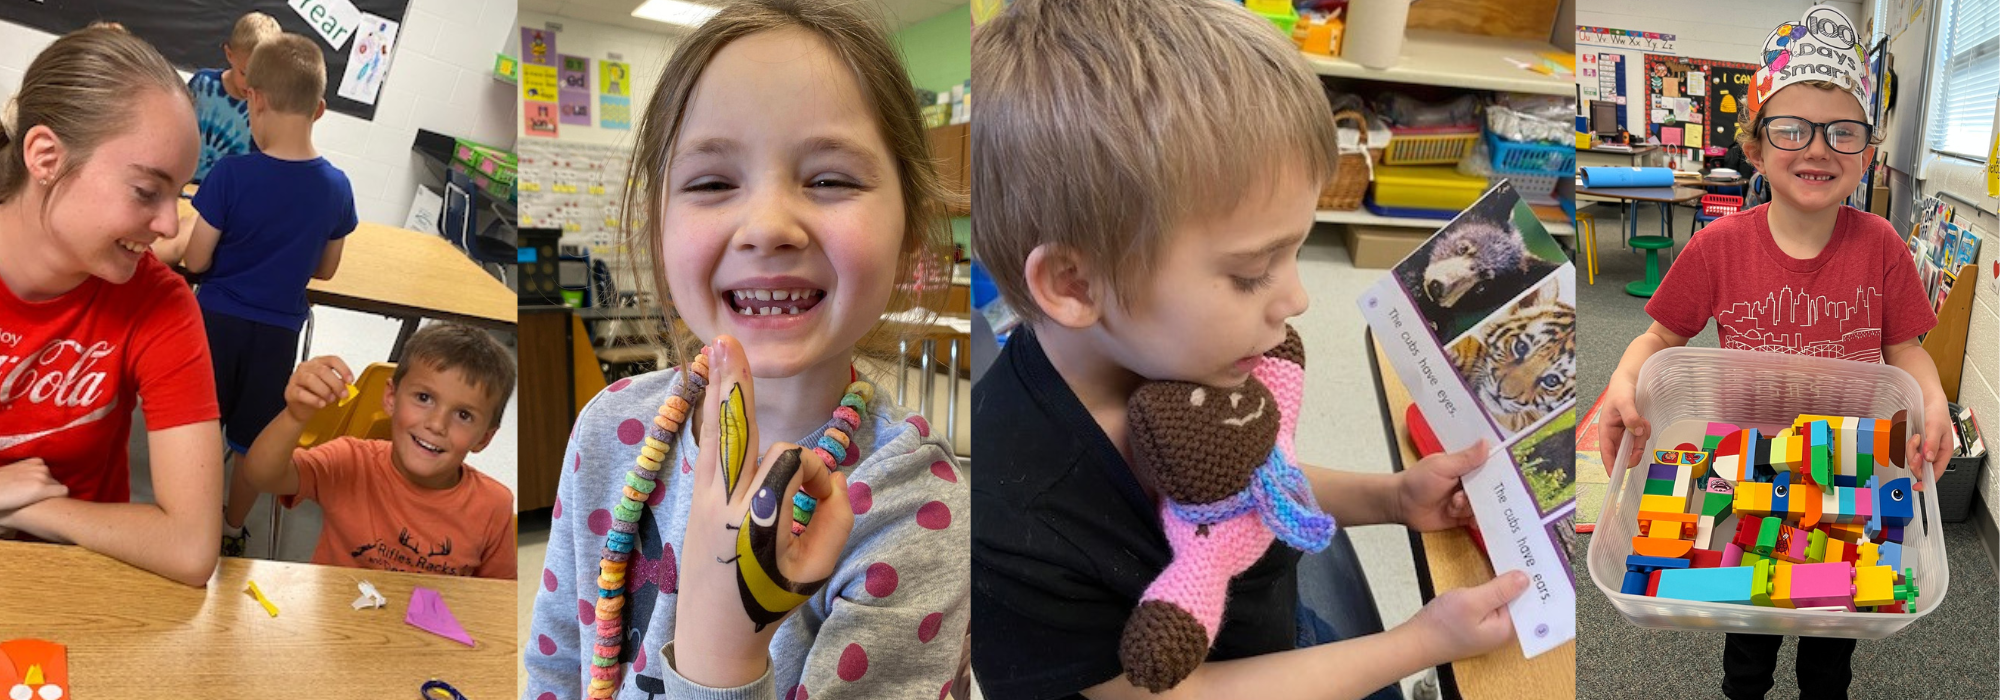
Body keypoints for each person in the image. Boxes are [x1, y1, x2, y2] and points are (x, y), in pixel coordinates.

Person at [968, 1, 1531, 698]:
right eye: (1249, 272)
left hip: (1279, 633)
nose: (1297, 299)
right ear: (1075, 283)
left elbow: (1254, 482)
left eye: (1296, 253)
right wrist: (1418, 644)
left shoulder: (1189, 349)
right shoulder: (1010, 515)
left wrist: (1391, 498)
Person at [521, 1, 967, 697]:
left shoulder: (913, 511)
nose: (767, 227)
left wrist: (721, 650)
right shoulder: (608, 431)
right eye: (711, 183)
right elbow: (553, 668)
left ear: (910, 230)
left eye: (829, 179)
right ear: (659, 227)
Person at [1595, 8, 1947, 699]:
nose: (1818, 148)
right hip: (1746, 472)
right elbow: (1660, 338)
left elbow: (1908, 350)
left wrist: (1931, 400)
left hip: (1850, 480)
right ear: (1755, 148)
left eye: (1843, 132)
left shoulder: (1882, 248)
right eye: (1792, 129)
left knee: (1833, 640)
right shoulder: (1717, 248)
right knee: (1748, 635)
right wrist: (1624, 377)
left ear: (1867, 153)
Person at [0, 26, 219, 586]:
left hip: (79, 587)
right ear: (45, 156)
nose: (171, 225)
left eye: (181, 194)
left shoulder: (160, 304)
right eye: (147, 191)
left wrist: (26, 508)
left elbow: (191, 548)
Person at [164, 32, 357, 557]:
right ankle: (230, 527)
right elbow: (328, 269)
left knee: (199, 426)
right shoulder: (337, 187)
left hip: (214, 322)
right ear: (319, 109)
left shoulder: (230, 174)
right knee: (251, 441)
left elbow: (197, 260)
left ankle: (184, 519)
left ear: (255, 97)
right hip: (278, 333)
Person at [239, 323, 517, 579]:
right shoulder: (350, 461)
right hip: (335, 622)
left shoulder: (494, 506)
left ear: (485, 438)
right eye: (424, 398)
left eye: (464, 415)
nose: (436, 425)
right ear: (391, 398)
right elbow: (261, 476)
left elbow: (498, 600)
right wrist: (295, 416)